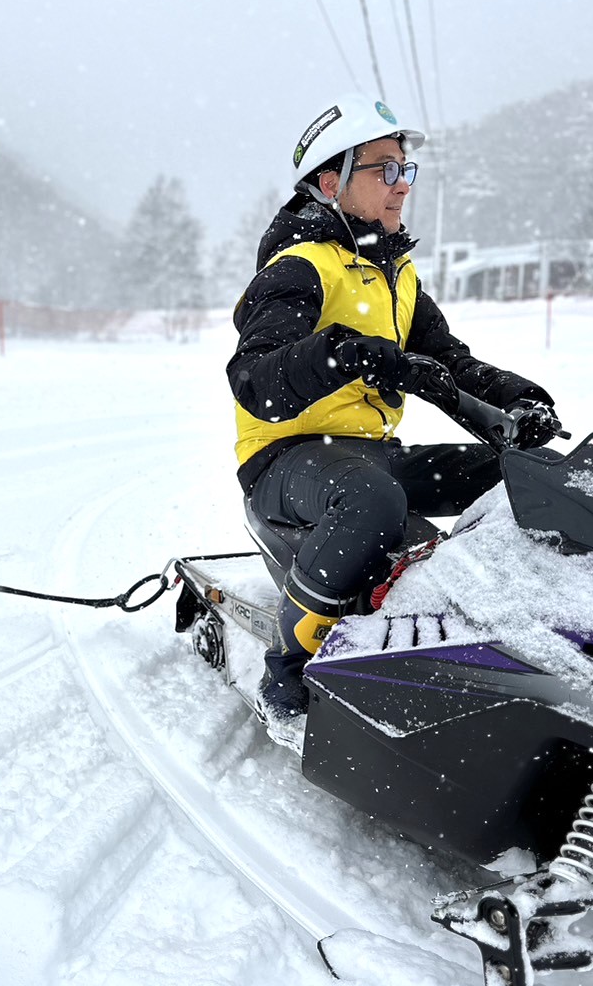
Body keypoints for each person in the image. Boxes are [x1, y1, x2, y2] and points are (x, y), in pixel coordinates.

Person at [228, 95, 560, 720]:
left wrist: (521, 403)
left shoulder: (398, 278)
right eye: (385, 169)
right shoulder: (299, 269)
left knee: (522, 479)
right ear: (332, 182)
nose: (402, 185)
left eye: (406, 170)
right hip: (286, 463)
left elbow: (453, 366)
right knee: (375, 501)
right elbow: (255, 381)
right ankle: (288, 675)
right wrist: (346, 356)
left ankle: (540, 634)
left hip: (376, 458)